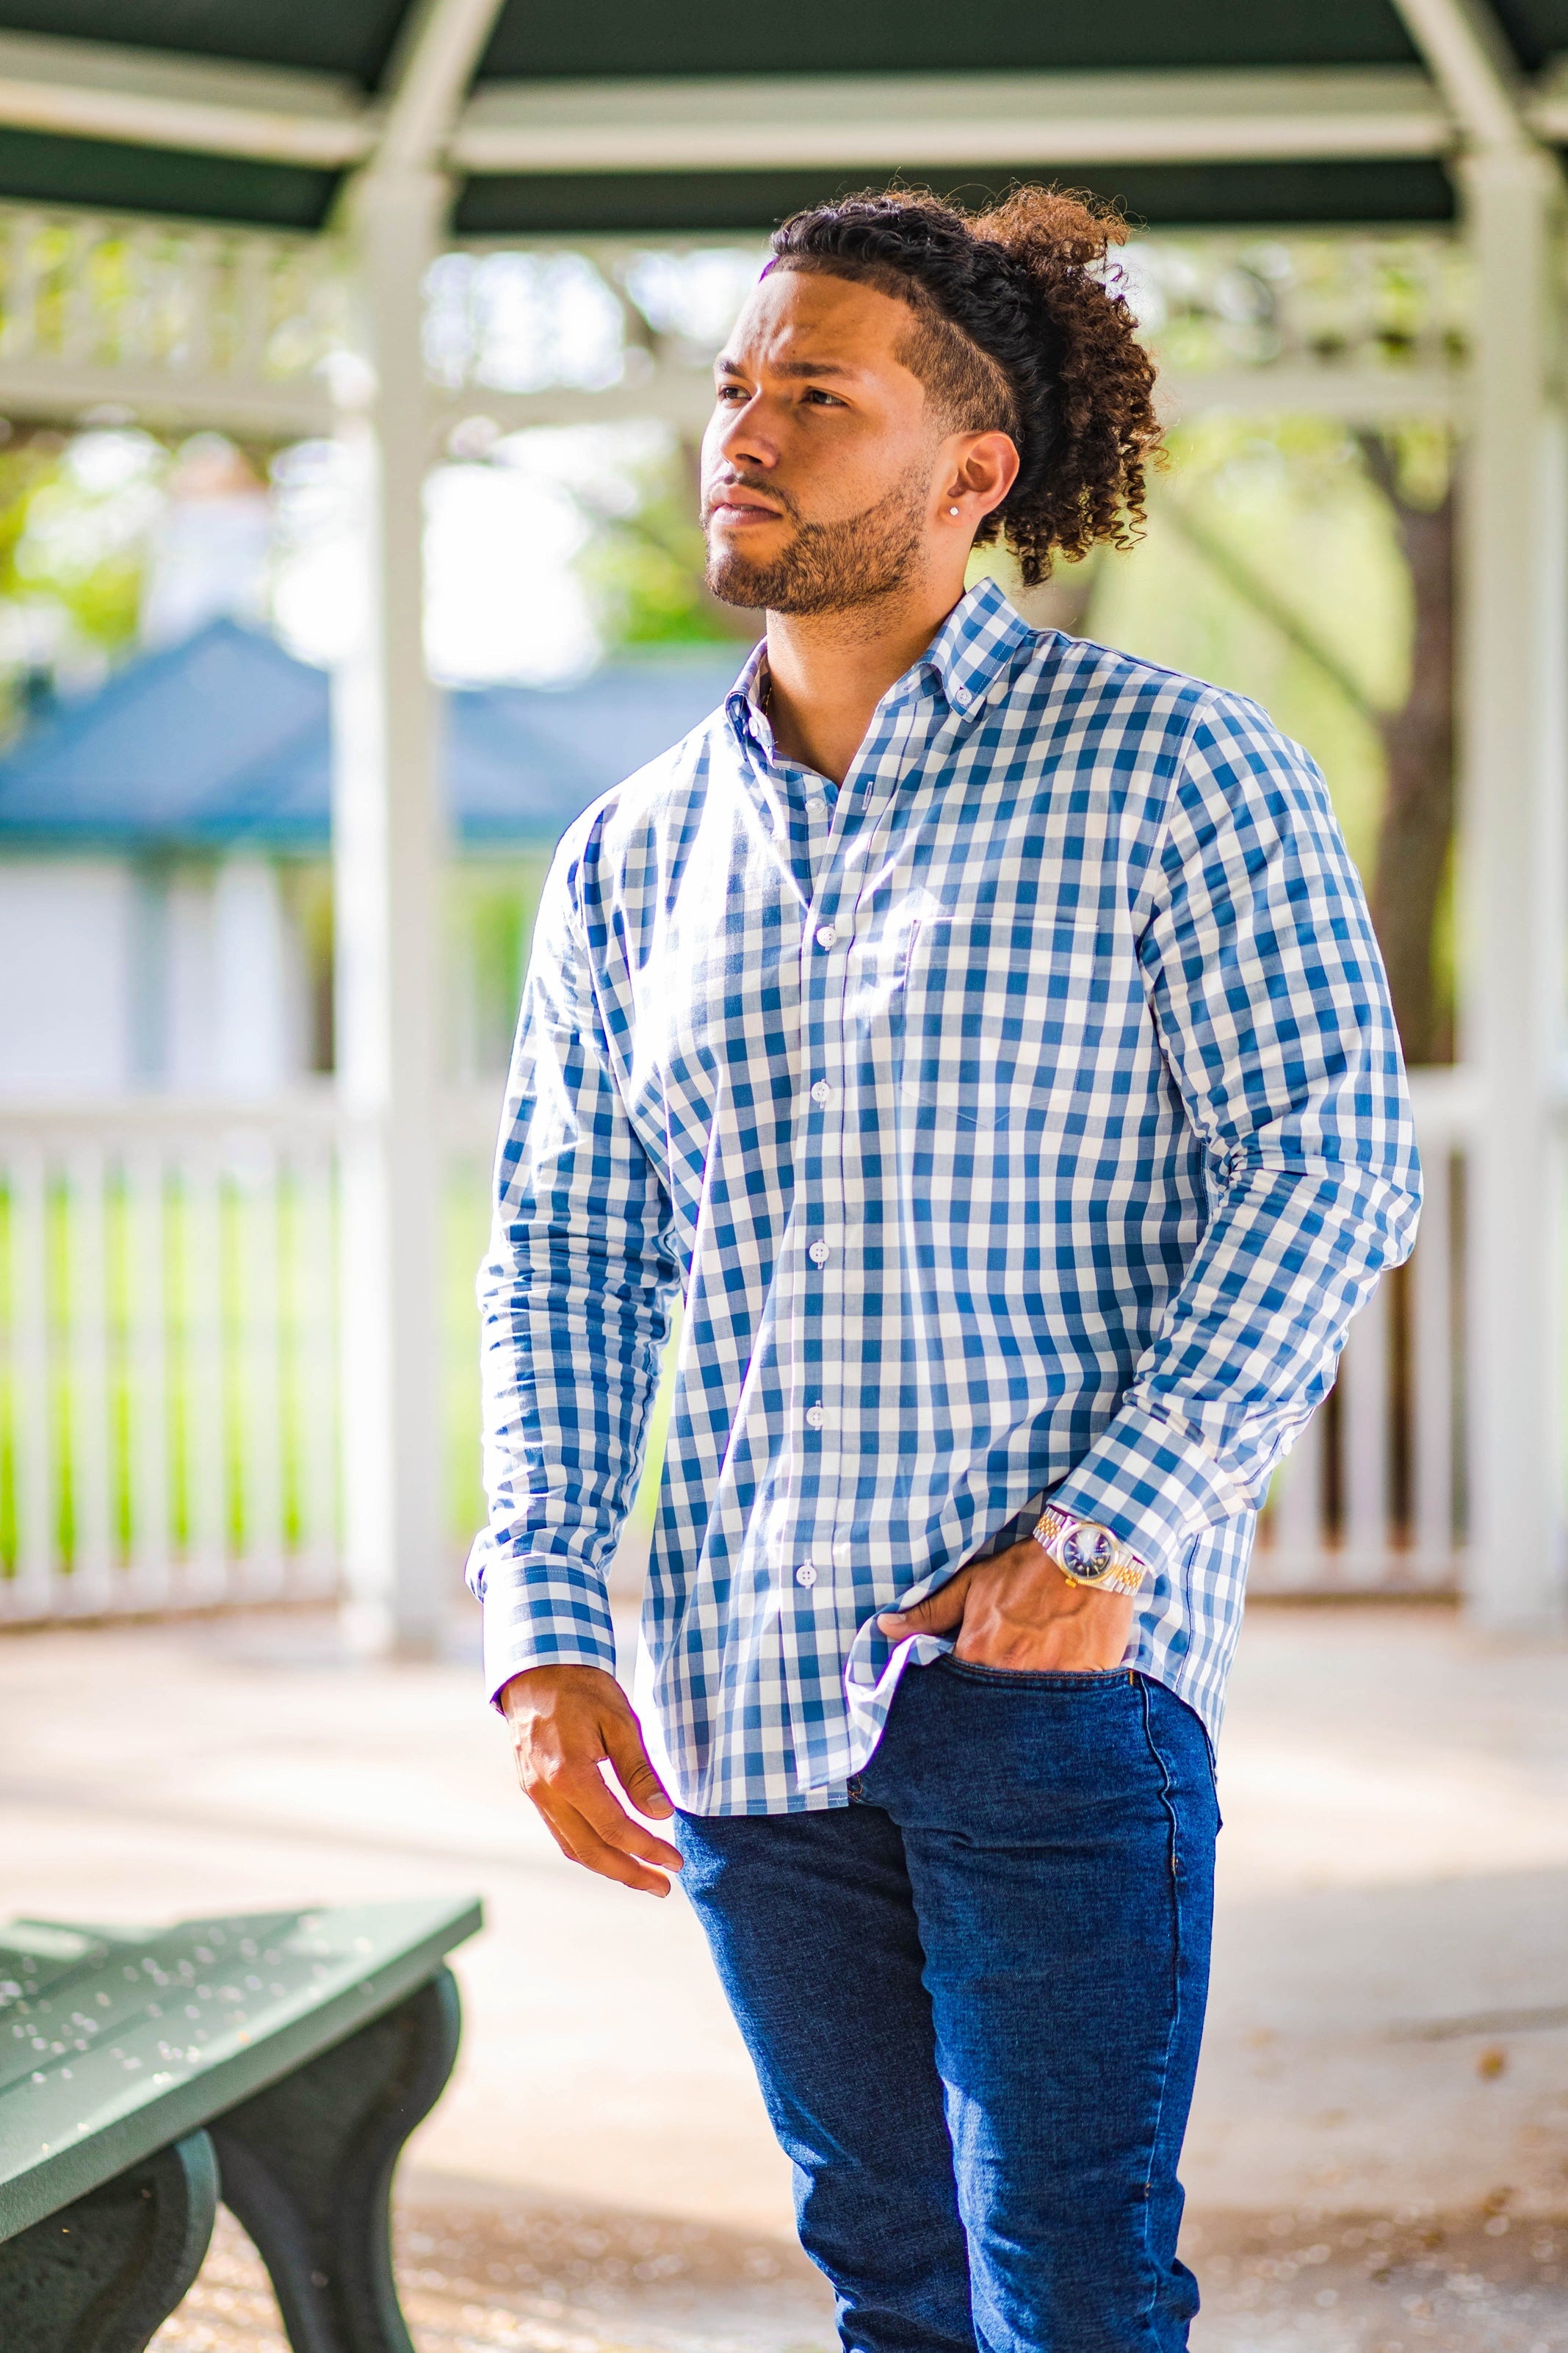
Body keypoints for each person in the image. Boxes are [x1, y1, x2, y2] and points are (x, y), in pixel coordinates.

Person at [469, 185, 1420, 2353]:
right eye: (734, 383)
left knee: (1070, 2297)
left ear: (973, 475)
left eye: (819, 390)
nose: (746, 427)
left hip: (1050, 1682)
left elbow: (1332, 1163)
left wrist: (1102, 1545)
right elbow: (569, 1248)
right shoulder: (630, 854)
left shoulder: (1176, 774)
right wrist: (546, 1622)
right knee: (891, 2288)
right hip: (738, 1695)